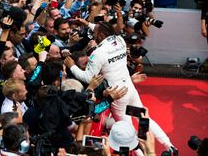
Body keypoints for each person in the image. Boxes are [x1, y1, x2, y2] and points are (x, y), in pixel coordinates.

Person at [64, 21, 177, 153]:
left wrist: (71, 65)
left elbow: (89, 77)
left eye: (95, 33)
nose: (93, 35)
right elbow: (101, 28)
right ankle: (170, 146)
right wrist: (86, 23)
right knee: (143, 118)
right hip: (129, 88)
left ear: (100, 35)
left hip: (118, 96)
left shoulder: (98, 53)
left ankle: (145, 154)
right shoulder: (120, 40)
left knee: (127, 133)